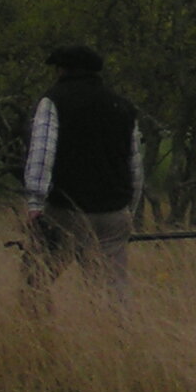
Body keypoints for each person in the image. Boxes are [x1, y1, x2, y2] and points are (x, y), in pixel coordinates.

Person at [21, 45, 143, 303]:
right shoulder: (122, 106)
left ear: (61, 69)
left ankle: (33, 336)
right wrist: (128, 207)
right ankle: (119, 338)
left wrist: (35, 204)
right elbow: (135, 165)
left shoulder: (53, 101)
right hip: (113, 212)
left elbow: (42, 155)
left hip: (65, 210)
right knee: (112, 291)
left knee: (36, 281)